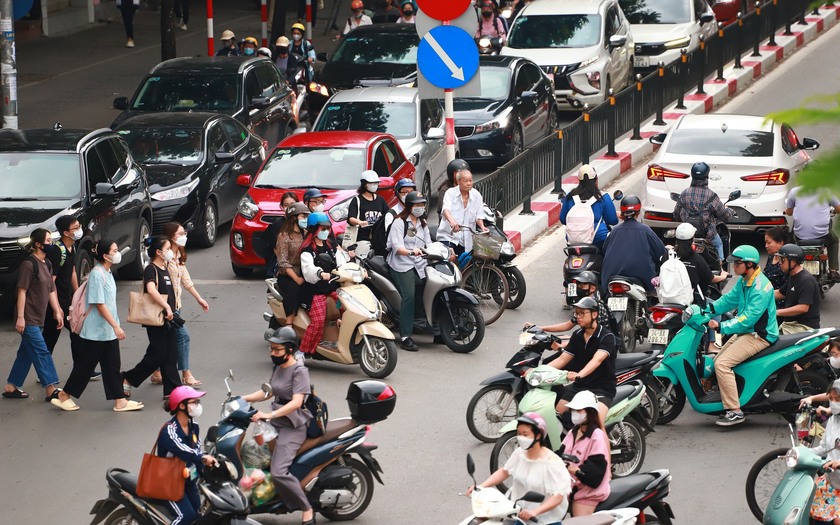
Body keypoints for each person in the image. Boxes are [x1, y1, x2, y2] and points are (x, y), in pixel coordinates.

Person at [51, 240, 144, 412]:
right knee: (86, 366)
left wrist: (113, 327)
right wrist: (116, 326)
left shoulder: (107, 272)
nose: (118, 253)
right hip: (96, 332)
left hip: (106, 331)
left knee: (111, 366)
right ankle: (64, 396)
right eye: (114, 250)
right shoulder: (96, 274)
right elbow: (100, 304)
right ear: (105, 255)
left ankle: (119, 400)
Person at [244, 327, 315, 525]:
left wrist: (269, 414)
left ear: (290, 350)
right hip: (275, 423)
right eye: (271, 348)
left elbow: (296, 402)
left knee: (278, 471)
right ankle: (273, 499)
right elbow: (269, 391)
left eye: (277, 350)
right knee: (253, 455)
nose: (272, 353)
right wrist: (243, 399)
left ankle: (307, 508)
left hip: (292, 426)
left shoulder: (299, 371)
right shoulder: (278, 367)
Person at [707, 245, 778, 426]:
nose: (734, 266)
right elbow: (729, 300)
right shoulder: (745, 280)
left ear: (749, 264)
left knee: (722, 365)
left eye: (737, 263)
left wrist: (721, 327)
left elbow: (748, 319)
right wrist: (708, 310)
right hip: (746, 332)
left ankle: (735, 411)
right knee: (716, 361)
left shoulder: (760, 287)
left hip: (759, 335)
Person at [468, 412, 572, 524]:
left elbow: (558, 496)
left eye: (525, 434)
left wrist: (535, 512)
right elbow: (505, 471)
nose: (521, 437)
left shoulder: (552, 463)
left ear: (538, 436)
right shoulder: (520, 453)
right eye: (519, 433)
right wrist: (480, 486)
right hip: (519, 517)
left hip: (544, 521)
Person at [3, 229, 64, 403]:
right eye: (48, 240)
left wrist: (57, 310)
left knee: (26, 353)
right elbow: (21, 291)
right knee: (41, 351)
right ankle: (50, 388)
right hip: (28, 317)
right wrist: (20, 317)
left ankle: (11, 386)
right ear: (38, 244)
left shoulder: (47, 264)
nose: (51, 244)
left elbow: (51, 289)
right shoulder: (29, 265)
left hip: (39, 316)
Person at [42, 216, 101, 380]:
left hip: (68, 300)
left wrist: (77, 295)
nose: (79, 230)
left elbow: (73, 271)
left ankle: (81, 369)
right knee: (51, 337)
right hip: (56, 302)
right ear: (66, 232)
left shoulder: (72, 247)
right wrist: (56, 308)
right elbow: (50, 282)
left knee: (75, 333)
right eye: (75, 228)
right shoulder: (57, 251)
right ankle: (46, 372)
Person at [122, 237, 181, 399]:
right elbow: (151, 289)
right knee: (158, 354)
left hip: (168, 318)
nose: (170, 251)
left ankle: (173, 390)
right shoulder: (151, 269)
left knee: (171, 354)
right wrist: (166, 306)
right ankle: (128, 377)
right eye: (168, 248)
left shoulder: (165, 267)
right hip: (157, 318)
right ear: (158, 252)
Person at [547, 297, 617, 425]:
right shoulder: (577, 335)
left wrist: (579, 375)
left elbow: (597, 360)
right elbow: (562, 359)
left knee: (596, 426)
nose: (578, 317)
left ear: (594, 314)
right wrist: (540, 371)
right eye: (576, 313)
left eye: (582, 313)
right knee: (556, 418)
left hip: (601, 388)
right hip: (580, 386)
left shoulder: (607, 337)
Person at [158, 385, 219, 525]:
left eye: (198, 402)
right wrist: (202, 457)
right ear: (181, 406)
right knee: (186, 518)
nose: (198, 405)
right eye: (194, 402)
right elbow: (183, 450)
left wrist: (207, 465)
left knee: (199, 516)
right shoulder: (169, 430)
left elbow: (196, 450)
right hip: (169, 482)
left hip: (188, 480)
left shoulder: (194, 426)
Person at [162, 222, 210, 387]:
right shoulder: (165, 258)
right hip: (165, 306)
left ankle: (155, 372)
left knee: (163, 342)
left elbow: (186, 280)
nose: (184, 237)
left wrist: (199, 299)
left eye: (184, 233)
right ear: (171, 237)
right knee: (183, 336)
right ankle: (186, 374)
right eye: (180, 234)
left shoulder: (178, 255)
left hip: (176, 305)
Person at [387, 191, 432, 352]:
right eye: (417, 205)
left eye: (422, 205)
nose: (420, 208)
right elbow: (398, 247)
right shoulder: (399, 222)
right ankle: (405, 335)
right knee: (409, 295)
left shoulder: (423, 223)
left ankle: (424, 321)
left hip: (419, 263)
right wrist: (411, 252)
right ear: (409, 206)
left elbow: (429, 243)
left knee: (429, 286)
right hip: (401, 263)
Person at [600, 195, 667, 295]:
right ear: (638, 212)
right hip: (642, 279)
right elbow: (661, 253)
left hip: (611, 278)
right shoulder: (645, 230)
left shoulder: (614, 231)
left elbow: (604, 250)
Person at [524, 271, 610, 348]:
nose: (579, 288)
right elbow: (567, 325)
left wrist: (564, 345)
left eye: (582, 285)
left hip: (596, 348)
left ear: (592, 288)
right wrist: (538, 328)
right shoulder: (584, 305)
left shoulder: (594, 307)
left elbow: (589, 337)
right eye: (578, 285)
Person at [298, 212, 344, 355]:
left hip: (332, 289)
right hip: (315, 292)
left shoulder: (330, 246)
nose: (326, 231)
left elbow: (341, 261)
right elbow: (308, 270)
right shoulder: (307, 251)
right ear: (314, 229)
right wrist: (320, 273)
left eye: (327, 228)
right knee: (318, 321)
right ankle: (302, 351)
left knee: (347, 309)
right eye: (322, 228)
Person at [560, 390, 611, 517]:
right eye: (573, 410)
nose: (575, 414)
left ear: (590, 412)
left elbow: (594, 474)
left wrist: (576, 470)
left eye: (579, 410)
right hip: (569, 488)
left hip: (587, 493)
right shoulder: (573, 432)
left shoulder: (596, 436)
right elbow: (560, 453)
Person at [673, 162, 735, 263]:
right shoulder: (711, 196)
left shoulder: (684, 194)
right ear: (707, 176)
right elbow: (724, 216)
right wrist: (731, 211)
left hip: (687, 236)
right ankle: (720, 267)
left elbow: (676, 215)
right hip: (708, 236)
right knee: (719, 243)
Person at [785, 185, 840, 281]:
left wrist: (787, 211)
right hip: (822, 235)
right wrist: (835, 210)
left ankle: (792, 266)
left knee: (792, 245)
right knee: (834, 241)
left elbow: (789, 212)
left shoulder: (795, 191)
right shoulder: (826, 190)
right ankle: (833, 270)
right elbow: (839, 208)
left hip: (800, 236)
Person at [559, 164, 618, 252]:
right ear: (596, 180)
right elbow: (612, 220)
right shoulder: (602, 197)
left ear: (579, 180)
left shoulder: (570, 196)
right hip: (597, 238)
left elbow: (563, 219)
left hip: (573, 240)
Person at [437, 159, 487, 257]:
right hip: (449, 237)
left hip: (467, 240)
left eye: (470, 180)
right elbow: (446, 210)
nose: (469, 183)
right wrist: (452, 222)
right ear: (458, 181)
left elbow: (479, 215)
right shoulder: (449, 193)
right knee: (451, 259)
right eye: (466, 181)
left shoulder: (476, 195)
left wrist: (482, 226)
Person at [807, 380, 840, 524]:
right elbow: (824, 447)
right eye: (831, 399)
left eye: (837, 400)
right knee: (808, 505)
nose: (833, 403)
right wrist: (803, 453)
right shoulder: (833, 420)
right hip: (832, 482)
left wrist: (838, 462)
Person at [672, 222, 728, 306]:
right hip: (692, 300)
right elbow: (711, 278)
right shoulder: (696, 259)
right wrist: (723, 276)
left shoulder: (668, 256)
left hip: (669, 297)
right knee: (717, 310)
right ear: (693, 238)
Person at [275, 202, 310, 325]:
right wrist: (296, 278)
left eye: (306, 216)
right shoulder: (284, 236)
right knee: (294, 291)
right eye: (302, 216)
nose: (305, 219)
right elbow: (283, 262)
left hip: (305, 272)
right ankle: (289, 323)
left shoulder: (306, 234)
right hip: (288, 275)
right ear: (293, 217)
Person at [774, 244, 820, 334]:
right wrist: (759, 295)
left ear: (793, 262)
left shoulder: (806, 280)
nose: (779, 263)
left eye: (782, 259)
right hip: (790, 324)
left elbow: (803, 308)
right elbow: (780, 293)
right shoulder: (793, 276)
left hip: (803, 327)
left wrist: (776, 312)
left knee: (771, 343)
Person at [263, 192, 299, 277]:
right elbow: (275, 250)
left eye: (292, 204)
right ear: (282, 206)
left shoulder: (302, 222)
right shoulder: (276, 225)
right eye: (286, 205)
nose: (289, 207)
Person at [347, 170, 389, 243]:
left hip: (379, 238)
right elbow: (351, 218)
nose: (374, 185)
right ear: (364, 184)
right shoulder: (357, 200)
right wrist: (360, 222)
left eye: (376, 183)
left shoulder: (381, 200)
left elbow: (388, 215)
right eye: (371, 183)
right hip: (361, 239)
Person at [764, 225, 792, 290]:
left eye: (769, 243)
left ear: (780, 243)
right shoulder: (771, 257)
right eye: (765, 243)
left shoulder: (787, 260)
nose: (766, 246)